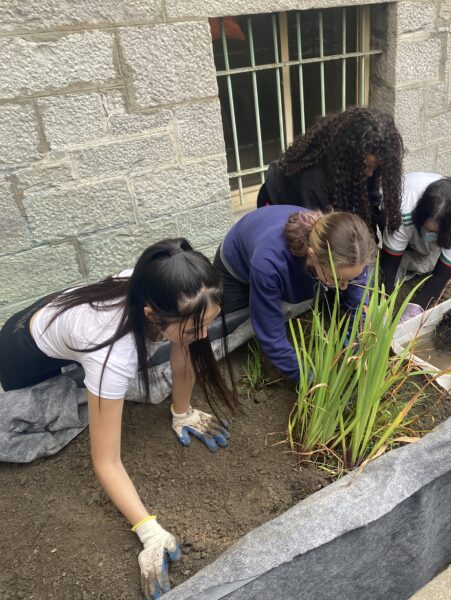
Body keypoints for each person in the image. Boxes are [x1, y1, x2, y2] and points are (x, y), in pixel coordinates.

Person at [0, 238, 236, 600]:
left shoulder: (162, 286)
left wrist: (182, 412)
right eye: (193, 328)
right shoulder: (113, 353)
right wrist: (147, 529)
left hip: (59, 314)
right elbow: (106, 461)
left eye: (209, 323)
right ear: (152, 316)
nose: (203, 335)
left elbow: (183, 349)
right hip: (23, 355)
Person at [214, 205, 374, 381]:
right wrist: (309, 380)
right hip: (235, 266)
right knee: (237, 324)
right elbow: (271, 334)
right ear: (312, 255)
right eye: (337, 279)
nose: (344, 287)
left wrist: (352, 353)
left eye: (351, 278)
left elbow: (359, 309)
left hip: (277, 253)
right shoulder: (269, 263)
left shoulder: (353, 253)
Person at [255, 107, 404, 233]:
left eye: (375, 168)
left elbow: (371, 199)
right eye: (367, 166)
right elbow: (321, 234)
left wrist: (370, 238)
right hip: (278, 201)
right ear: (349, 157)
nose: (370, 174)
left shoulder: (370, 155)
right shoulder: (314, 178)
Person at [380, 173, 451, 320]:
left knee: (427, 260)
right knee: (377, 272)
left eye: (434, 231)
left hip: (438, 234)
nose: (428, 233)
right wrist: (383, 307)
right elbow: (389, 265)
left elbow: (441, 275)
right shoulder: (402, 209)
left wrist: (415, 310)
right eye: (426, 227)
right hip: (405, 220)